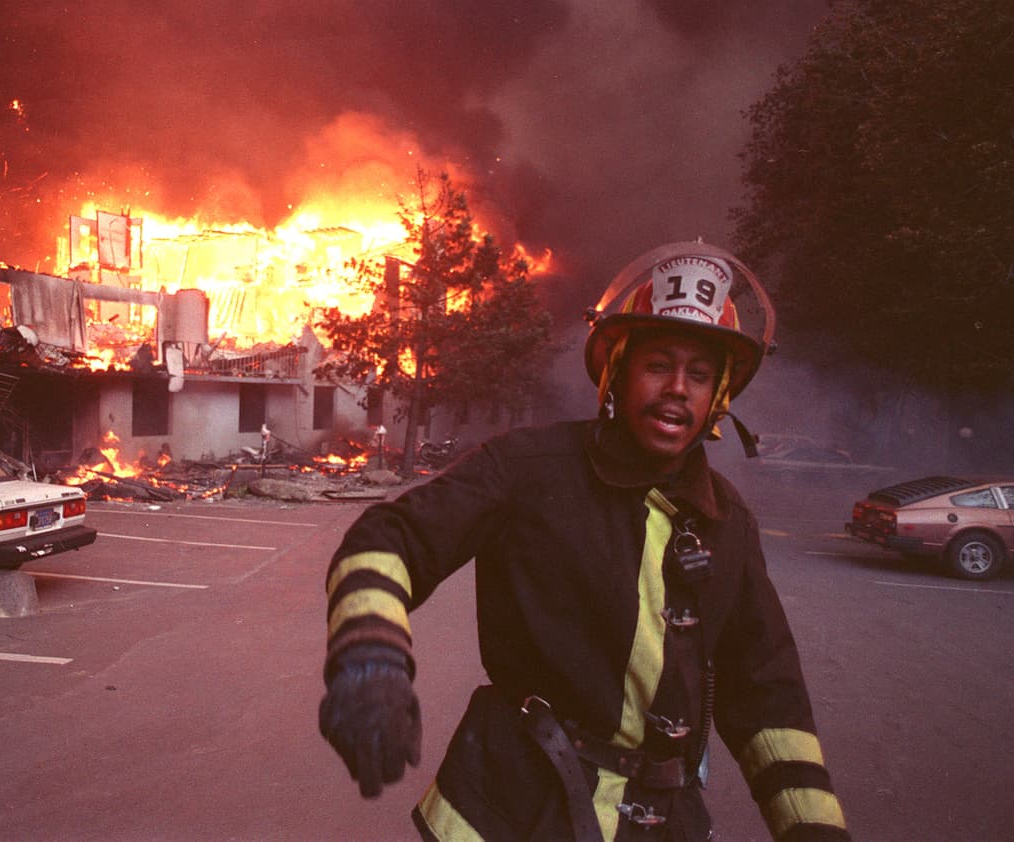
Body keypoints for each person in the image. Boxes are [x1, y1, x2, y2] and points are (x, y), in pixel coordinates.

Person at [318, 242, 849, 841]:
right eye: (658, 365)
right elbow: (390, 538)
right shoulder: (529, 468)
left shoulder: (728, 524)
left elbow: (768, 696)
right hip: (508, 816)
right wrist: (371, 654)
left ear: (718, 396)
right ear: (618, 372)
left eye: (699, 374)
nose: (678, 388)